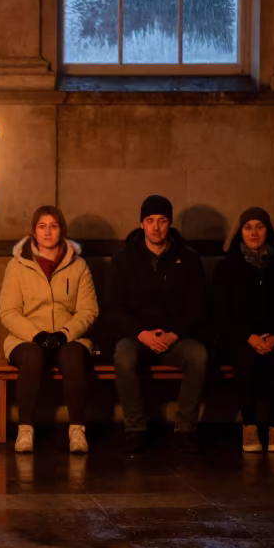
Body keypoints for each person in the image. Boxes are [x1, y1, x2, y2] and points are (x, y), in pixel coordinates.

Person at [106, 195, 209, 454]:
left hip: (175, 337)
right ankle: (135, 428)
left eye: (162, 221)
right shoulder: (123, 259)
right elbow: (112, 308)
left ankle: (185, 428)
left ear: (170, 223)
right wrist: (141, 333)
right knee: (123, 356)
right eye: (150, 221)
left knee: (198, 355)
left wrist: (175, 334)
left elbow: (198, 307)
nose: (156, 227)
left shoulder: (187, 258)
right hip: (137, 336)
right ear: (141, 224)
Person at [0, 205, 98, 454]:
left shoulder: (79, 266)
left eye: (53, 226)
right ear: (33, 231)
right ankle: (25, 430)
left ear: (61, 230)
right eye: (42, 226)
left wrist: (64, 333)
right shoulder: (17, 266)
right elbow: (8, 312)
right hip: (27, 338)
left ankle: (77, 430)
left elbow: (88, 311)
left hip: (67, 337)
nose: (48, 232)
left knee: (74, 356)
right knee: (32, 356)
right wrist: (37, 335)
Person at [212, 207, 274, 454]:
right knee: (245, 359)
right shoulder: (227, 267)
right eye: (248, 227)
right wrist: (248, 337)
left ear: (267, 231)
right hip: (238, 338)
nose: (254, 233)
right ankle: (249, 424)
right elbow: (219, 313)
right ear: (241, 232)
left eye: (259, 227)